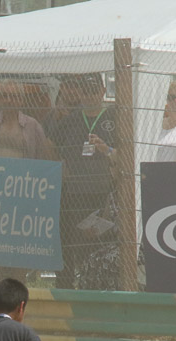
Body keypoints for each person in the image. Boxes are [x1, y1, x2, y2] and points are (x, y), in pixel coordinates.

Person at [51, 73, 117, 289]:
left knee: (100, 244)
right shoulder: (70, 120)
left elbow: (126, 154)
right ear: (80, 93)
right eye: (85, 91)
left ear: (102, 91)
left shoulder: (114, 117)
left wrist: (106, 150)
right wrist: (62, 166)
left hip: (103, 192)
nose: (89, 96)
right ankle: (68, 288)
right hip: (74, 193)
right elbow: (51, 146)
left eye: (93, 90)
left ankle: (99, 286)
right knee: (73, 242)